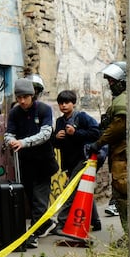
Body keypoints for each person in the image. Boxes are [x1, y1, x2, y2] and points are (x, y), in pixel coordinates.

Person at [4, 78, 59, 248]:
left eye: (25, 97)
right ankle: (47, 223)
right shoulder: (14, 112)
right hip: (24, 164)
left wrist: (23, 142)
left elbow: (46, 133)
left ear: (32, 95)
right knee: (30, 197)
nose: (21, 101)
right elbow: (9, 133)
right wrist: (11, 141)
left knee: (39, 200)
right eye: (18, 97)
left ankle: (33, 235)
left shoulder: (44, 109)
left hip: (43, 163)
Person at [51, 90, 101, 234]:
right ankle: (95, 221)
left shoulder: (82, 117)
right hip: (69, 162)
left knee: (70, 192)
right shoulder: (60, 121)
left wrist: (76, 133)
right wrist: (56, 138)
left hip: (84, 160)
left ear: (73, 103)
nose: (64, 106)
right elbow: (57, 145)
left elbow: (96, 133)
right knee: (83, 188)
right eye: (61, 103)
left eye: (67, 103)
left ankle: (61, 223)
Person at [87, 61, 128, 233]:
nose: (110, 85)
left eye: (113, 81)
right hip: (120, 156)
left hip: (124, 158)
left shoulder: (123, 101)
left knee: (124, 198)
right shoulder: (125, 98)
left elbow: (117, 127)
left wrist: (98, 143)